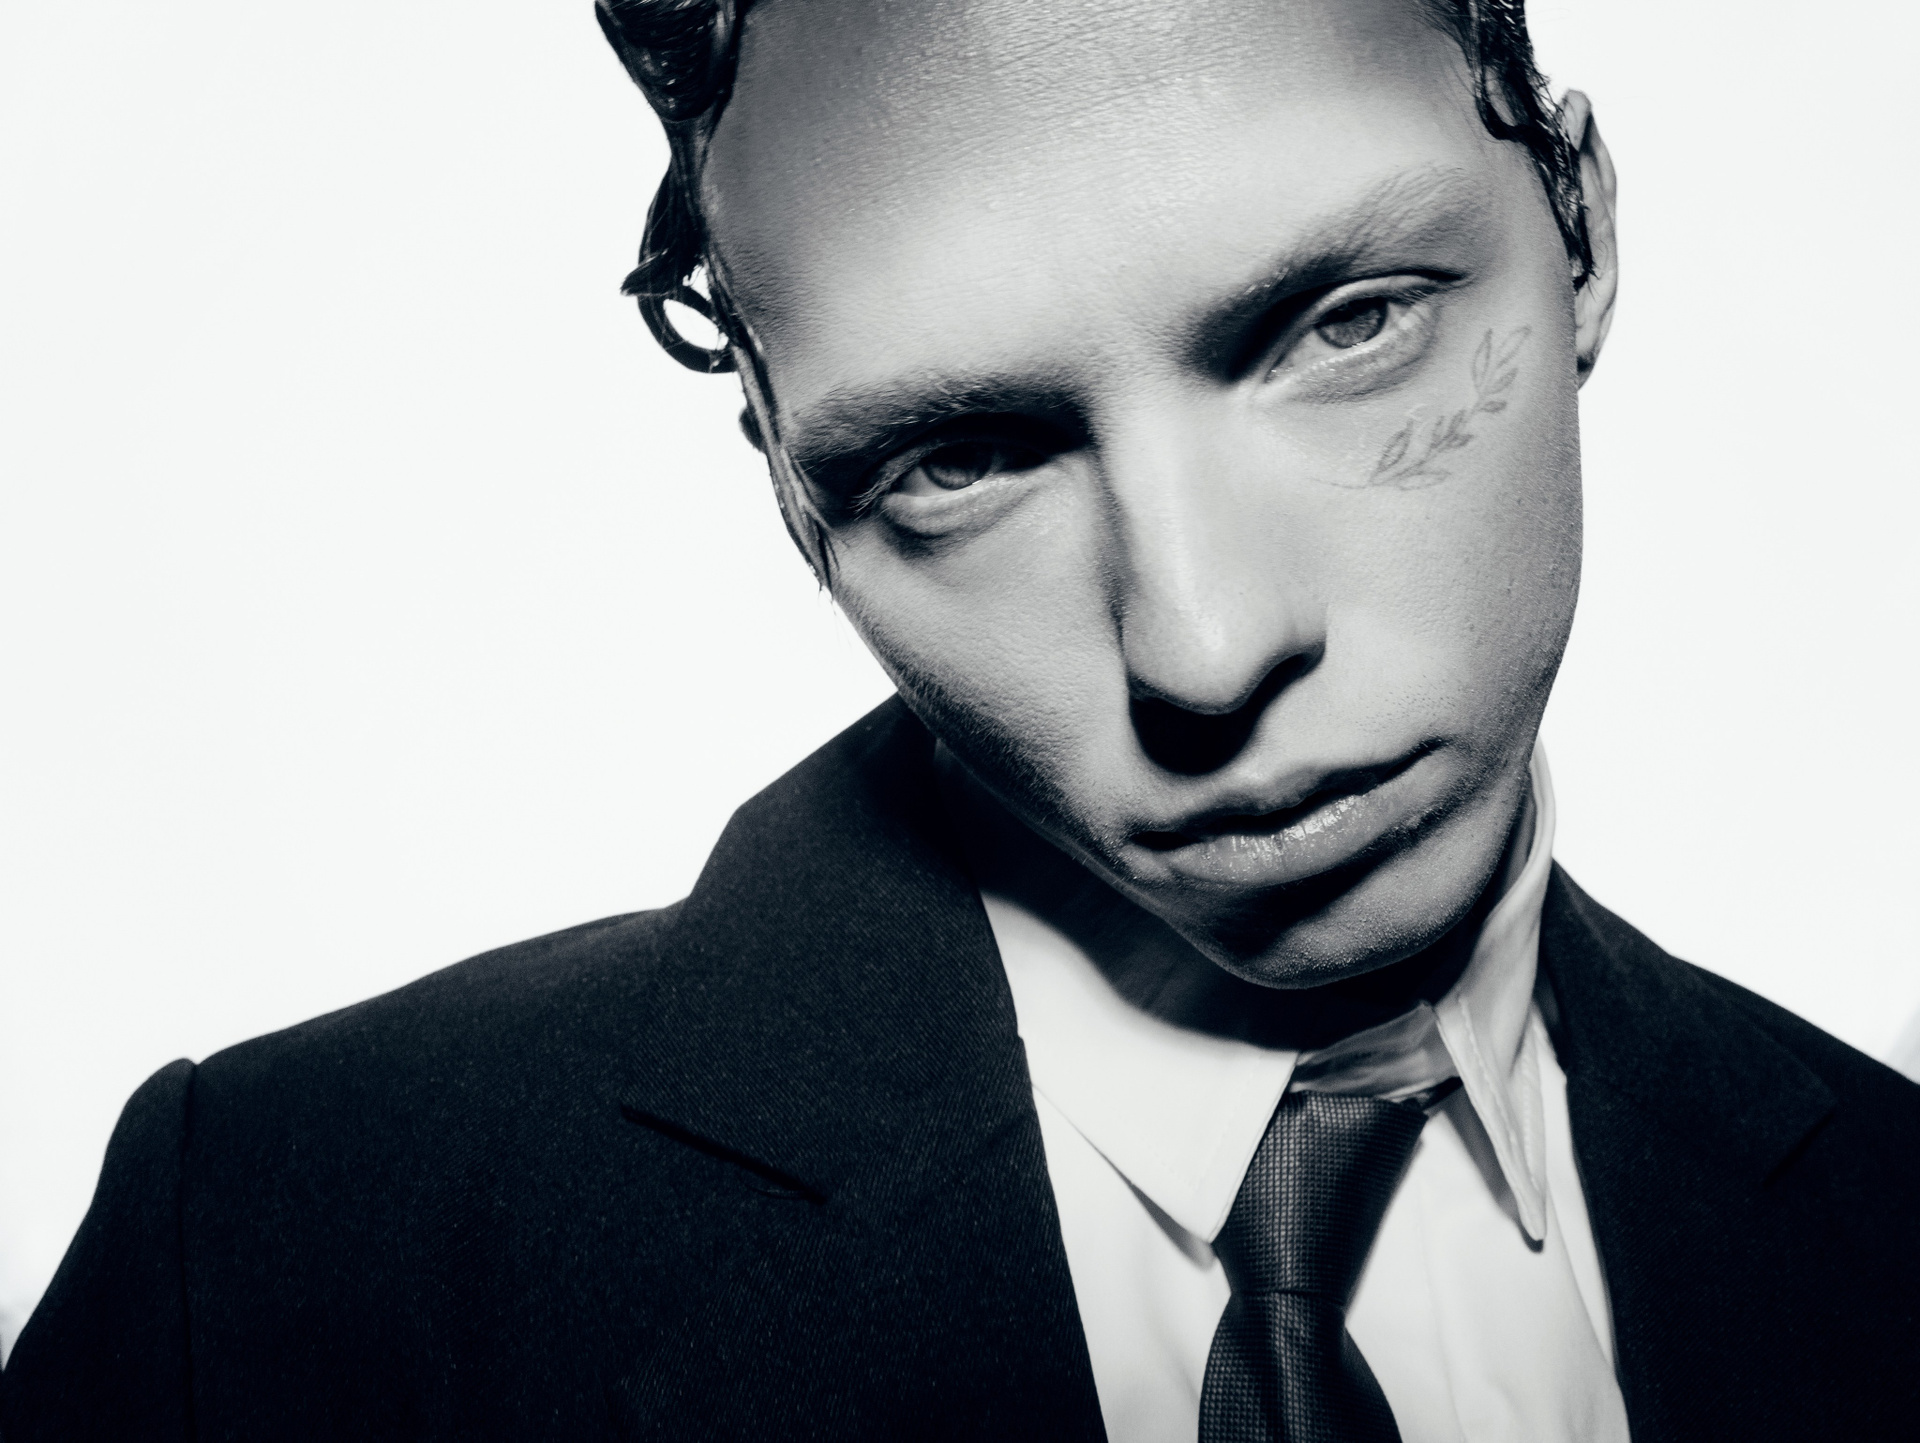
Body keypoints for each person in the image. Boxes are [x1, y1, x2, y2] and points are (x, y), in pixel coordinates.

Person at [5, 0, 1917, 1438]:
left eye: (1346, 322)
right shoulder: (260, 1273)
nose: (1205, 647)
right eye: (965, 456)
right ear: (783, 477)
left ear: (1580, 224)